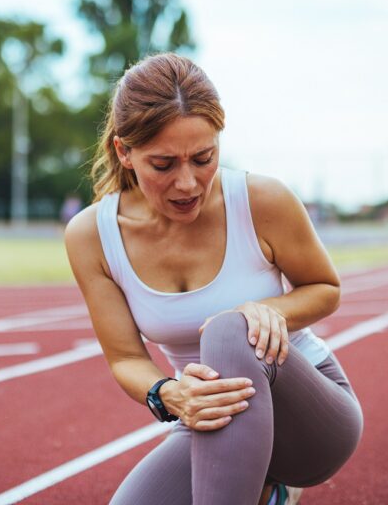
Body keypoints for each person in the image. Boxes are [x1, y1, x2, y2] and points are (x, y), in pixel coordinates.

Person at [64, 53, 363, 505]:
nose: (187, 184)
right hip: (215, 419)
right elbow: (125, 358)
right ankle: (269, 493)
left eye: (203, 158)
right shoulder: (92, 236)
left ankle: (265, 485)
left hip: (313, 421)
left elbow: (326, 288)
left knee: (230, 328)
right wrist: (168, 392)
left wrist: (263, 312)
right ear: (125, 152)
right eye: (164, 165)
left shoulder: (263, 199)